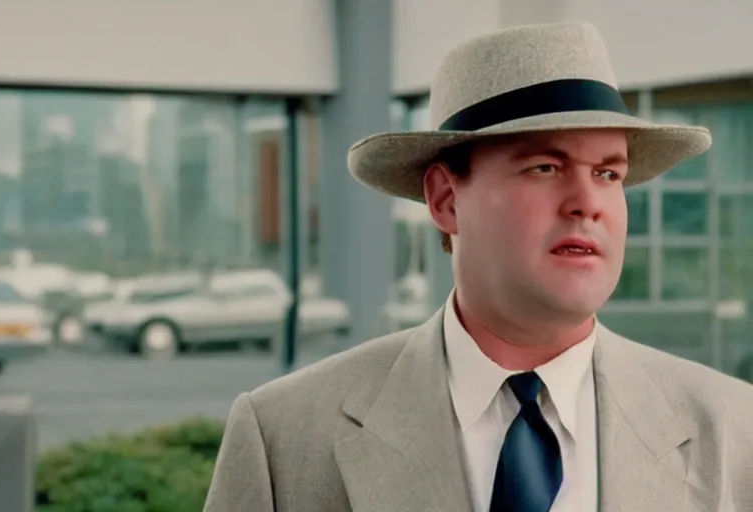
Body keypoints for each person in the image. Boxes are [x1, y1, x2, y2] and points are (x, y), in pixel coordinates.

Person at [203, 21, 753, 512]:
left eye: (609, 173)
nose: (588, 201)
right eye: (544, 166)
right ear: (445, 200)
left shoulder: (733, 430)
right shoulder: (285, 436)